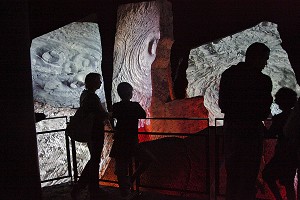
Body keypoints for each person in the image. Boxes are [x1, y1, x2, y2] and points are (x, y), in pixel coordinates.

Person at [218, 42, 273, 200]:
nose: (265, 63)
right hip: (251, 133)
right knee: (249, 177)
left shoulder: (229, 74)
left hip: (232, 131)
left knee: (233, 176)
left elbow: (223, 104)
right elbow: (263, 110)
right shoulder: (263, 80)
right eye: (265, 59)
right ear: (257, 58)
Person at [110, 82, 152, 199]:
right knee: (148, 159)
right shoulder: (134, 106)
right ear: (130, 93)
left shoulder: (116, 106)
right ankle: (131, 180)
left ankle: (124, 192)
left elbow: (111, 116)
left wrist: (114, 130)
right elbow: (143, 115)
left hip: (119, 140)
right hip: (131, 140)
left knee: (121, 167)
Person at [71, 73, 108, 199]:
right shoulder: (92, 97)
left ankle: (91, 187)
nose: (101, 83)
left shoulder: (84, 95)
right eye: (98, 81)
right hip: (95, 131)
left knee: (94, 159)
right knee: (95, 159)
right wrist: (109, 114)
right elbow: (101, 114)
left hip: (90, 130)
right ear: (92, 82)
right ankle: (83, 186)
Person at [262, 87, 298, 200]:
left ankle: (278, 198)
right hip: (293, 153)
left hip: (282, 153)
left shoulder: (279, 118)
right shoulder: (294, 116)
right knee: (289, 183)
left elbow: (270, 134)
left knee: (267, 175)